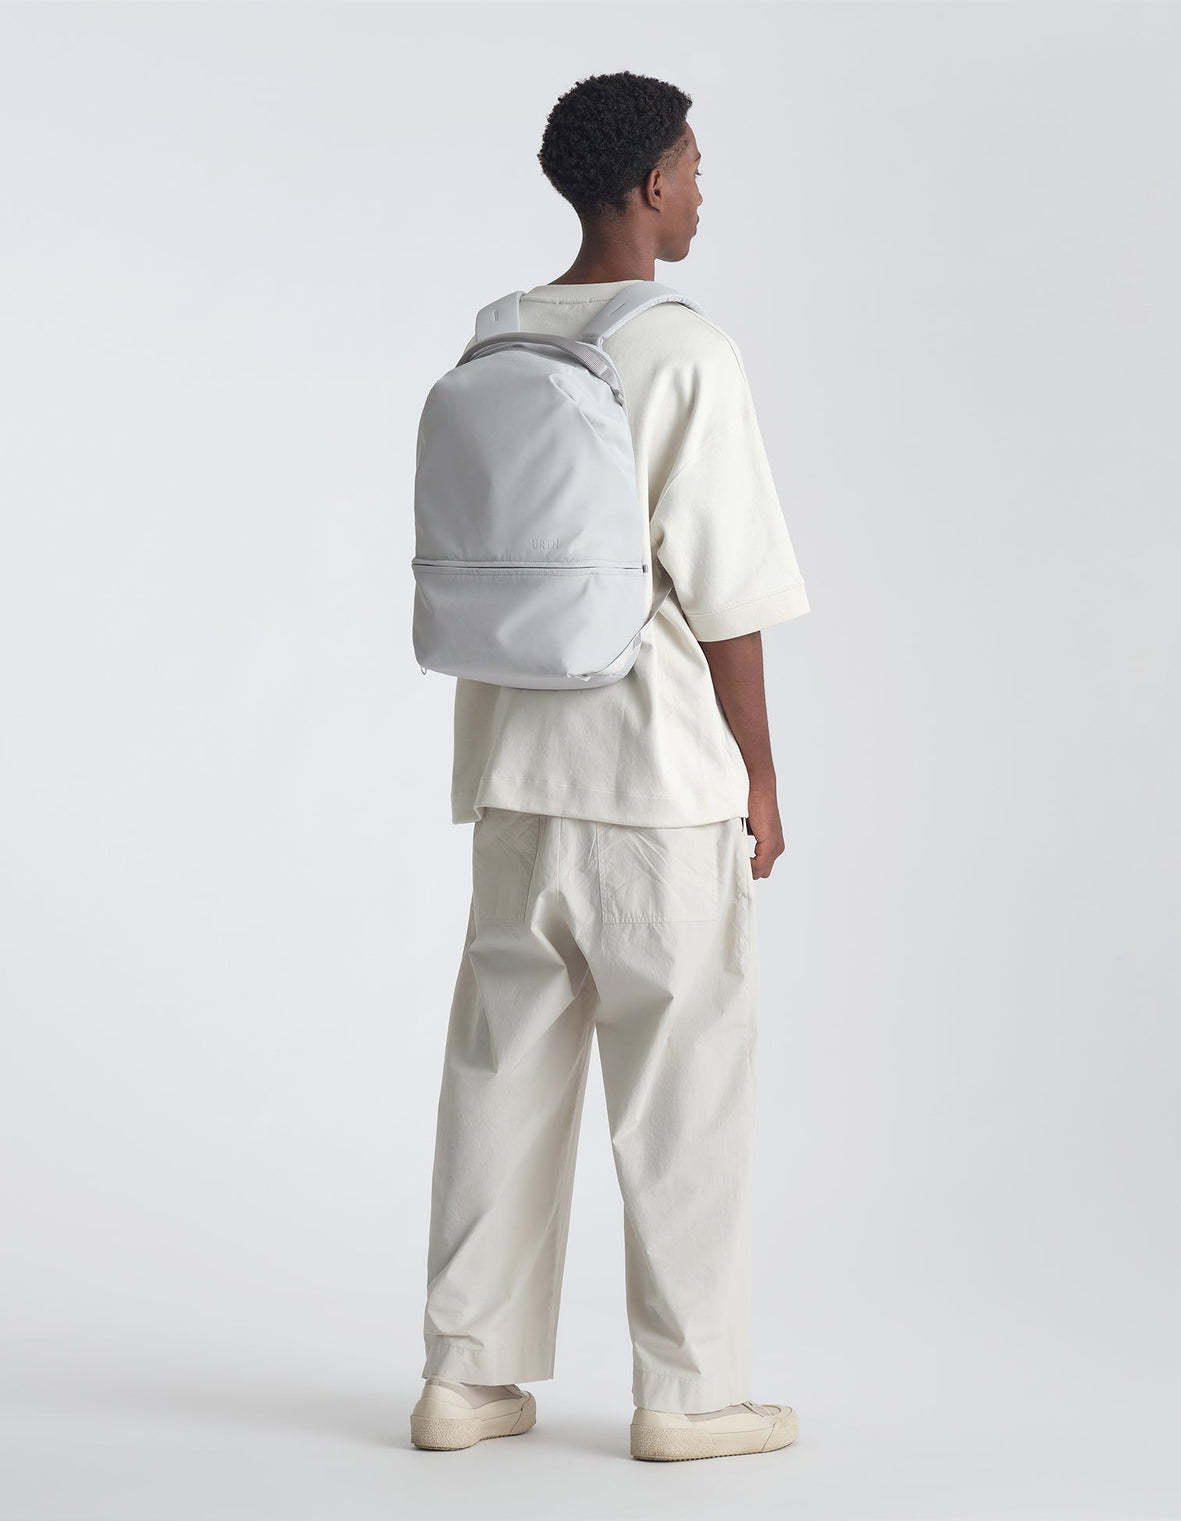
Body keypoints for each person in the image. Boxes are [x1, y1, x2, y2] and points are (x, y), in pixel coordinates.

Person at [410, 70, 809, 1463]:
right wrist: (761, 774)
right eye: (691, 166)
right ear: (647, 184)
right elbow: (727, 591)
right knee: (682, 1085)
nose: (700, 190)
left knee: (497, 1077)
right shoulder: (684, 353)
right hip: (655, 784)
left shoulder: (496, 340)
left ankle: (464, 1380)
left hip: (513, 778)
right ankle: (689, 1398)